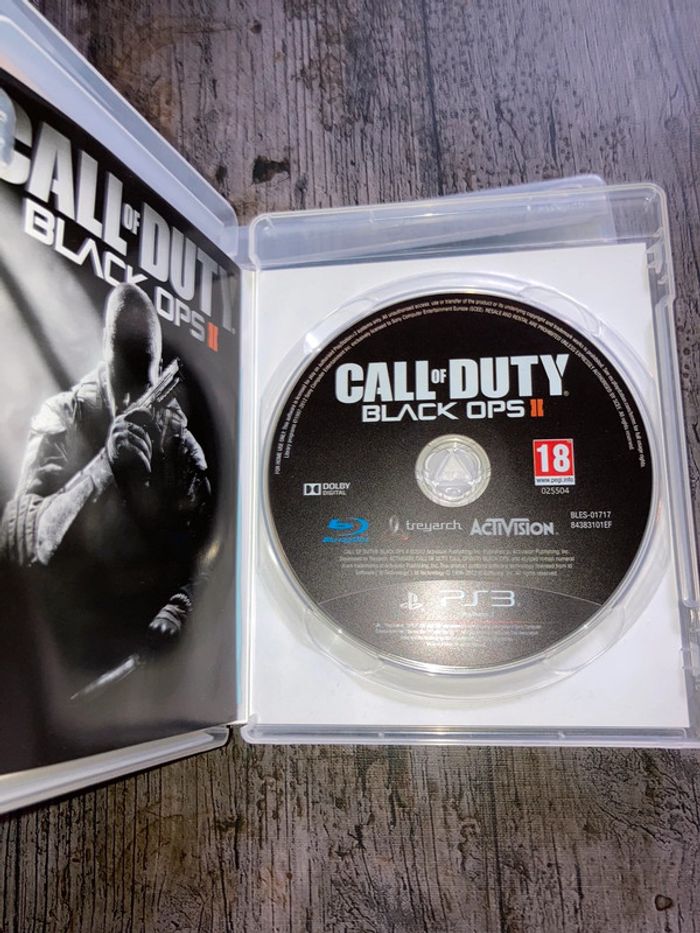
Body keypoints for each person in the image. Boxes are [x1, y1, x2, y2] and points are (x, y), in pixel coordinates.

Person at [0, 283, 211, 677]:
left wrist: (182, 603)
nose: (133, 404)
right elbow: (27, 544)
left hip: (144, 653)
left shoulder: (176, 439)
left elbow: (212, 549)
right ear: (107, 360)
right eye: (125, 385)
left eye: (144, 387)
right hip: (65, 644)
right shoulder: (63, 418)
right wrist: (103, 468)